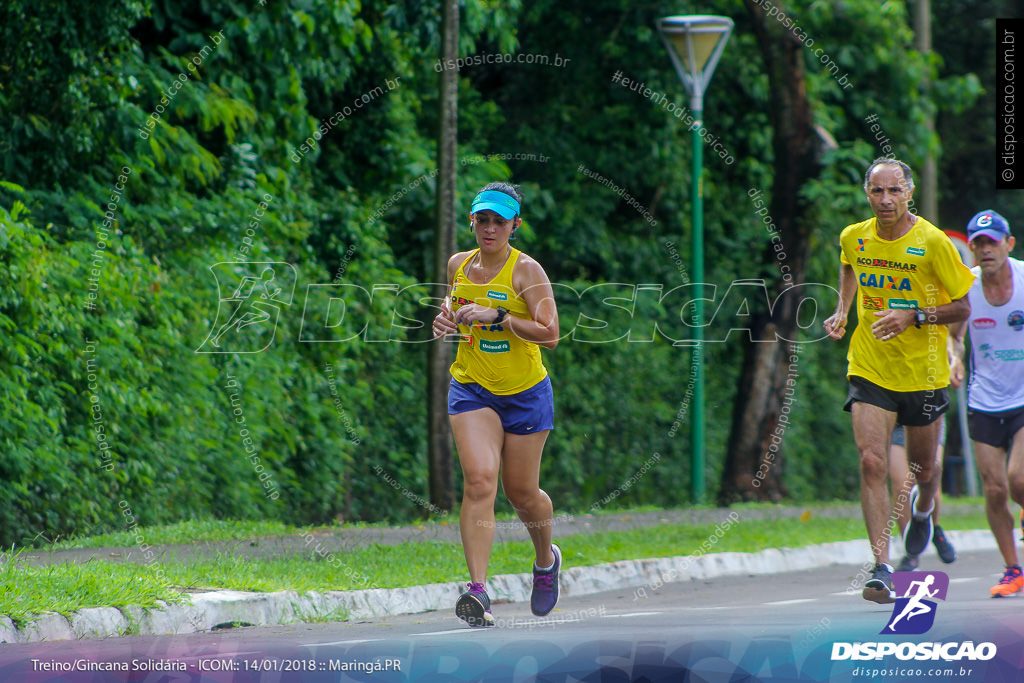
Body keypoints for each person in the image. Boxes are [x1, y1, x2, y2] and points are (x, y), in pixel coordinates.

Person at [824, 158, 974, 604]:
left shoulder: (932, 242)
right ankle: (881, 568)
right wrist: (842, 309)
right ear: (867, 194)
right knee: (872, 461)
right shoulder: (855, 236)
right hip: (870, 366)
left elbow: (963, 308)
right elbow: (849, 266)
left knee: (924, 471)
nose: (885, 200)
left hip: (924, 372)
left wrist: (915, 316)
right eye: (876, 191)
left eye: (893, 191)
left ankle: (925, 511)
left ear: (908, 192)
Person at [431, 182, 561, 627]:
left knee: (522, 494)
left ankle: (545, 561)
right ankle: (478, 591)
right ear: (472, 220)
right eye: (481, 219)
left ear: (515, 225)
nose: (489, 229)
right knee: (480, 480)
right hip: (472, 387)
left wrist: (501, 317)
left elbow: (551, 333)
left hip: (525, 394)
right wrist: (447, 313)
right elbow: (456, 298)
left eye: (499, 222)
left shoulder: (527, 271)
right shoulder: (458, 264)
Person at [948, 209, 1024, 598]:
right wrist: (954, 359)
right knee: (994, 489)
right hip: (984, 399)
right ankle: (1013, 569)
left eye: (992, 242)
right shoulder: (966, 286)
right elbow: (954, 337)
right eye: (978, 243)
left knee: (1018, 479)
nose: (985, 250)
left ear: (1008, 244)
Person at [889, 421, 957, 571]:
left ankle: (934, 527)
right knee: (902, 487)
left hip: (926, 415)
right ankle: (911, 553)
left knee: (929, 481)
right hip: (894, 418)